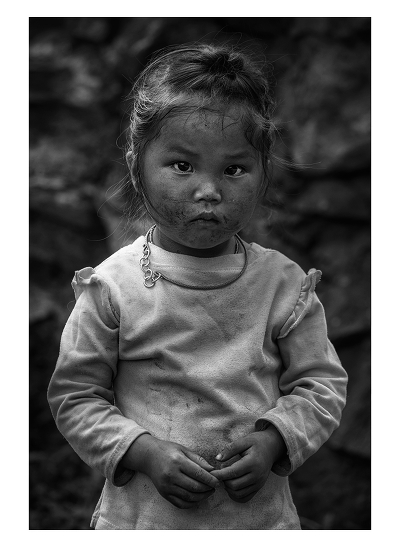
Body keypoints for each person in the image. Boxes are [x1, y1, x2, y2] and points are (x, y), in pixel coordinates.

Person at [47, 42, 348, 530]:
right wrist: (141, 451)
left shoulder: (282, 286)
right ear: (137, 167)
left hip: (259, 523)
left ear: (263, 174)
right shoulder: (113, 288)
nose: (209, 191)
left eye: (234, 169)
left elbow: (322, 385)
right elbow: (75, 396)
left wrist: (275, 439)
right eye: (182, 166)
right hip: (141, 523)